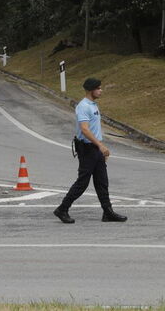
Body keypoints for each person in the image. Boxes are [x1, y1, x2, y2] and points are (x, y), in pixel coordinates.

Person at [53, 77, 127, 224]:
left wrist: (100, 148)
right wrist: (100, 146)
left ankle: (108, 212)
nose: (101, 90)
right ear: (91, 90)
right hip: (87, 149)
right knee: (82, 183)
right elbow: (85, 129)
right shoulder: (83, 106)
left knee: (102, 182)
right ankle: (62, 209)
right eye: (98, 88)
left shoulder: (93, 105)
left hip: (95, 148)